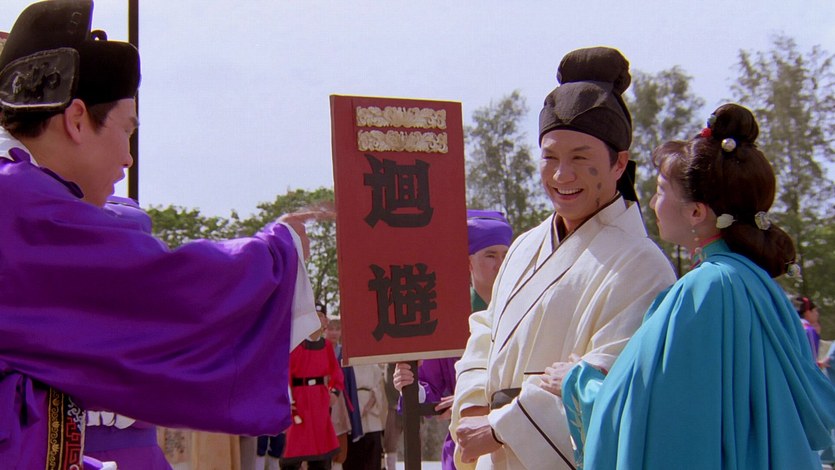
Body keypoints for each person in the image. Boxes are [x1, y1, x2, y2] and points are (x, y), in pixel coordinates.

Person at [0, 1, 323, 467]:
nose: (128, 158)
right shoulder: (17, 204)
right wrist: (279, 252)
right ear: (76, 119)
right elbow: (160, 286)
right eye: (126, 131)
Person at [560, 103, 835, 469]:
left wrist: (579, 382)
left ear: (695, 212)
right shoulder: (758, 284)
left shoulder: (703, 289)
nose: (652, 203)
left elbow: (664, 417)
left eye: (660, 190)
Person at [449, 46, 676, 470]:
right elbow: (485, 329)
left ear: (618, 163)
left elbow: (612, 384)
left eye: (580, 158)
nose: (561, 175)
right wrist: (473, 407)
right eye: (550, 157)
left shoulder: (644, 266)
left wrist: (502, 427)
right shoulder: (524, 246)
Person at [393, 210, 514, 470]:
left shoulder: (528, 310)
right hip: (466, 447)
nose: (500, 264)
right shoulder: (448, 321)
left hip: (519, 439)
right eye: (490, 255)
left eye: (506, 255)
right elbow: (430, 388)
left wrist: (466, 399)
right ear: (468, 263)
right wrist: (410, 385)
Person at [280, 307, 345, 470]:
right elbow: (284, 375)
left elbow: (336, 372)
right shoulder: (294, 345)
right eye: (314, 315)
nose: (318, 319)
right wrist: (288, 401)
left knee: (321, 451)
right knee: (293, 451)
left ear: (325, 321)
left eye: (321, 316)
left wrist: (334, 392)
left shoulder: (327, 346)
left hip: (319, 402)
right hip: (298, 401)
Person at [343, 363, 387, 470]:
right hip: (353, 416)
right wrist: (358, 409)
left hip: (372, 416)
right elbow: (347, 389)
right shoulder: (348, 367)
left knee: (373, 459)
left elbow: (378, 389)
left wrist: (368, 406)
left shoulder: (374, 368)